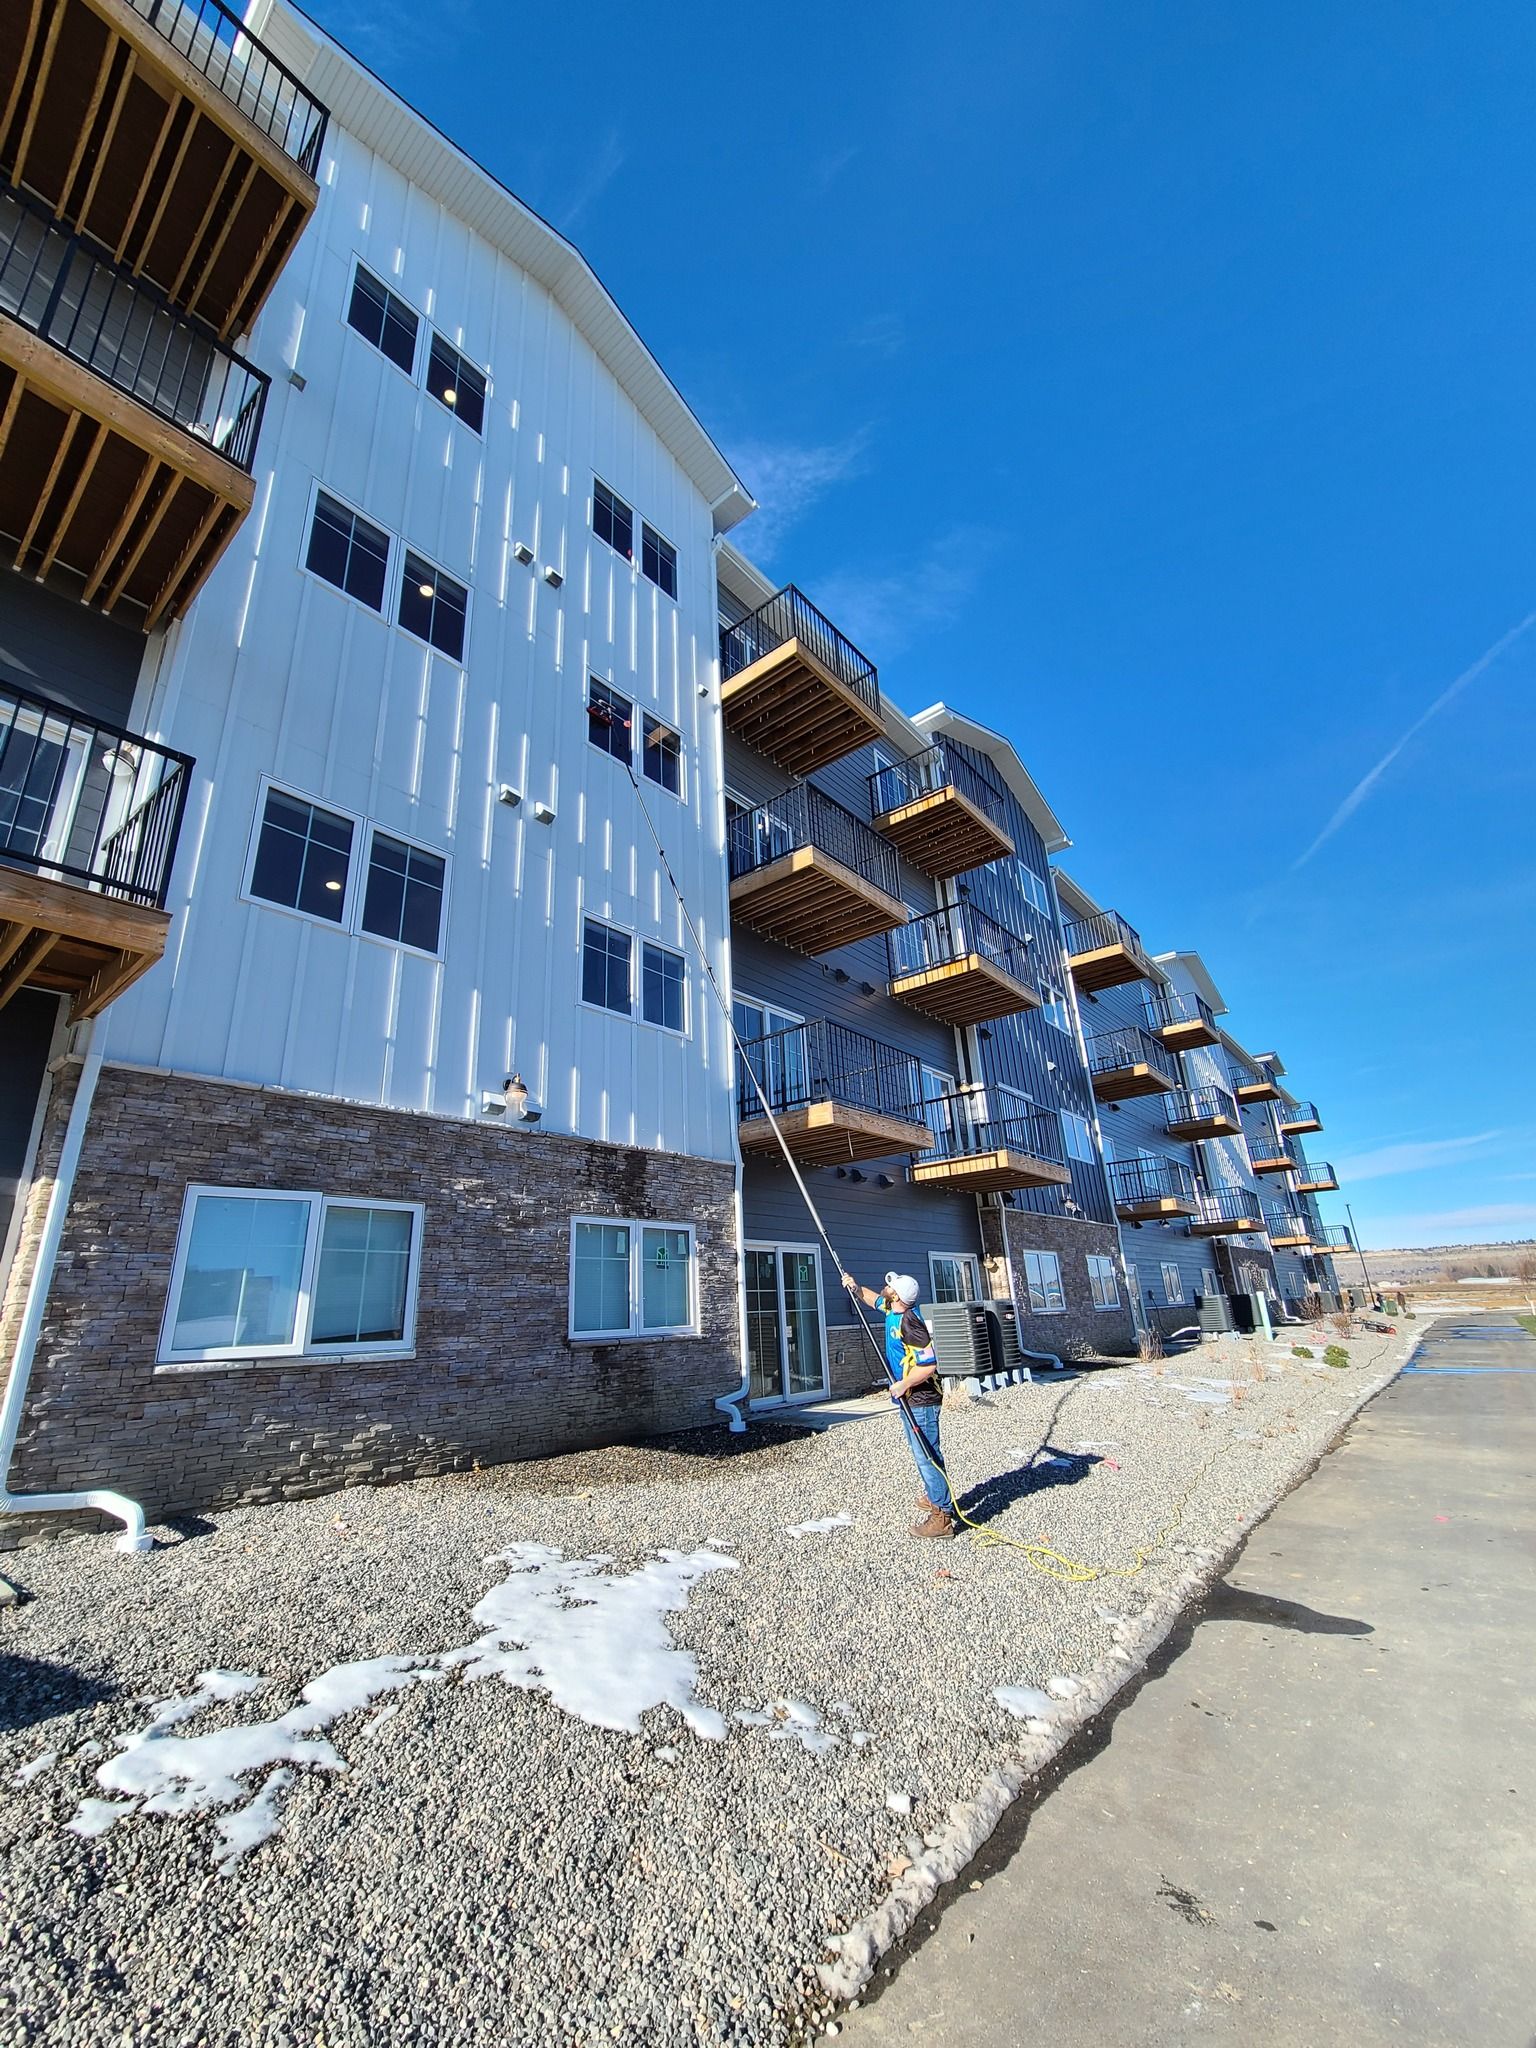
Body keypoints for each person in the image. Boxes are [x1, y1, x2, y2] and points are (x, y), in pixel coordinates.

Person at [841, 1270, 956, 1539]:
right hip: (908, 1398)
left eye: (889, 1287)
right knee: (923, 1454)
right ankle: (935, 1494)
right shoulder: (892, 1310)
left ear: (897, 1295)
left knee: (927, 1456)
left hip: (921, 1400)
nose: (885, 1287)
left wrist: (903, 1385)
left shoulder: (909, 1322)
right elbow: (872, 1300)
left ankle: (942, 1517)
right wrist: (855, 1287)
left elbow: (929, 1364)